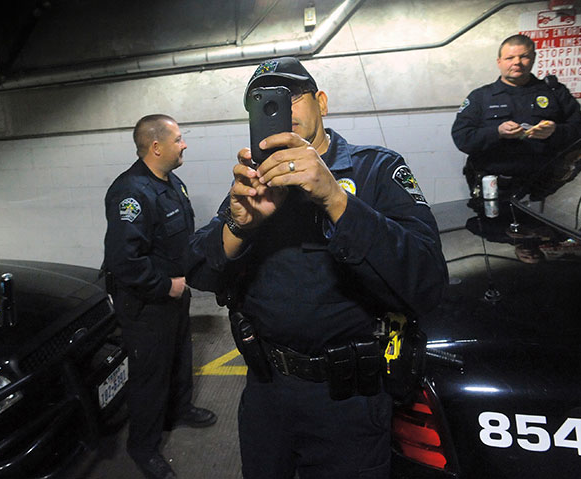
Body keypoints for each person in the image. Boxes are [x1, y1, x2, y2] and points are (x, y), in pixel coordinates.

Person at [187, 57, 448, 478]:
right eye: (264, 105)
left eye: (291, 96)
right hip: (266, 392)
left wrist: (335, 199)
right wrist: (240, 226)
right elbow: (199, 272)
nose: (280, 109)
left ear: (321, 102)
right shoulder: (254, 181)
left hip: (349, 401)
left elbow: (427, 281)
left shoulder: (377, 168)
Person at [103, 114, 216, 479]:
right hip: (147, 303)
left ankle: (179, 410)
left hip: (175, 294)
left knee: (180, 356)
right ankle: (144, 447)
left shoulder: (171, 183)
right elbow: (124, 262)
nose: (184, 145)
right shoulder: (131, 192)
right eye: (179, 139)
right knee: (149, 376)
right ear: (156, 146)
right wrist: (167, 286)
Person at [452, 34, 581, 199]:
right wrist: (496, 132)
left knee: (542, 226)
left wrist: (556, 131)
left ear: (533, 59)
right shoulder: (481, 97)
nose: (516, 62)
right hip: (495, 187)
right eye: (509, 57)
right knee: (492, 225)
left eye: (524, 56)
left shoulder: (555, 92)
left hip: (549, 189)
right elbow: (462, 138)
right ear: (500, 62)